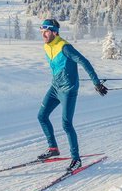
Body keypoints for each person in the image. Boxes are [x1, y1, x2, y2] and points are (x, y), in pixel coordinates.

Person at [37, 18, 108, 171]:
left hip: (68, 90)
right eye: (41, 31)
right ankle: (53, 149)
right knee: (42, 116)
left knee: (66, 124)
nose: (43, 34)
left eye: (46, 31)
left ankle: (76, 159)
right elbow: (60, 67)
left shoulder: (65, 47)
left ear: (54, 32)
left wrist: (96, 82)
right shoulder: (46, 46)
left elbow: (84, 61)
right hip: (55, 88)